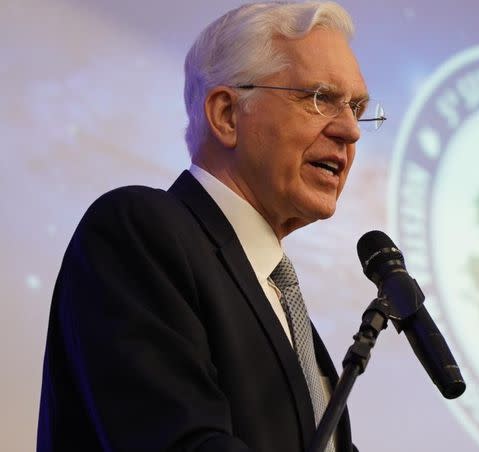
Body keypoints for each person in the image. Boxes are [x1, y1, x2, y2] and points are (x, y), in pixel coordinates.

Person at [37, 2, 384, 450]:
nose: (350, 130)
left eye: (357, 108)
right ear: (226, 114)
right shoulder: (139, 232)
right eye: (320, 98)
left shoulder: (280, 299)